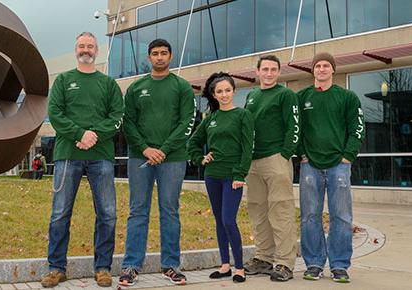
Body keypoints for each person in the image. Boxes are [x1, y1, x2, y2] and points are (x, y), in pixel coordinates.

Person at [40, 32, 124, 288]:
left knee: (107, 214)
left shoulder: (108, 84)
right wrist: (79, 134)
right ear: (76, 49)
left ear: (96, 51)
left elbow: (117, 117)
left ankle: (102, 268)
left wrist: (93, 136)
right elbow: (55, 114)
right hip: (68, 156)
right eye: (81, 45)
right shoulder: (64, 81)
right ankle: (56, 268)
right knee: (59, 214)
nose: (85, 49)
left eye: (90, 45)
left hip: (101, 157)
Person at [119, 38, 196, 287]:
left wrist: (162, 150)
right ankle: (131, 265)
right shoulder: (136, 88)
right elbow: (127, 122)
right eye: (155, 53)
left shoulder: (182, 87)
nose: (160, 57)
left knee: (169, 210)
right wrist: (145, 148)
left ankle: (171, 265)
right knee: (137, 211)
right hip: (139, 158)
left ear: (170, 56)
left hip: (172, 159)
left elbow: (187, 123)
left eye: (164, 53)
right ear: (149, 57)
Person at [297, 52, 365, 283]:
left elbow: (357, 128)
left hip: (339, 165)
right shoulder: (302, 97)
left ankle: (339, 265)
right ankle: (314, 263)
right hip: (310, 165)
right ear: (313, 70)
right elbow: (295, 129)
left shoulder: (347, 97)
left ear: (333, 70)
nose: (322, 69)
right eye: (318, 65)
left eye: (326, 65)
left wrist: (348, 156)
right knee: (309, 216)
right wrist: (302, 154)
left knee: (342, 216)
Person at [187, 72, 253, 283]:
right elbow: (193, 143)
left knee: (228, 219)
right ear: (214, 95)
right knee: (219, 220)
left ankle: (240, 268)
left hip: (233, 176)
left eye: (227, 90)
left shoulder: (243, 115)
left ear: (234, 91)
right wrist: (200, 158)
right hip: (212, 175)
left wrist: (240, 173)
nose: (224, 94)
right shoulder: (211, 119)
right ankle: (225, 265)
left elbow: (247, 148)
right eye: (219, 92)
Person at [242, 55, 300, 282]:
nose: (268, 73)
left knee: (281, 211)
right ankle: (264, 258)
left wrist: (285, 153)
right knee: (258, 211)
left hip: (276, 159)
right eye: (264, 69)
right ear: (257, 72)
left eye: (273, 69)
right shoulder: (252, 95)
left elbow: (293, 127)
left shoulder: (286, 95)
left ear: (278, 72)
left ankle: (284, 263)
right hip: (253, 163)